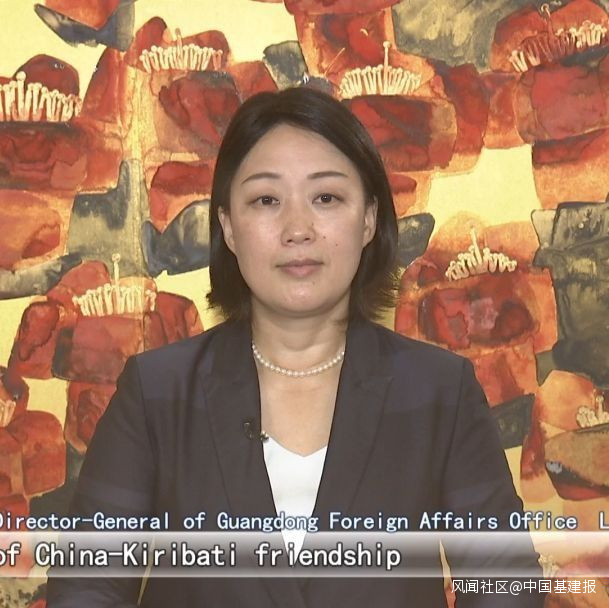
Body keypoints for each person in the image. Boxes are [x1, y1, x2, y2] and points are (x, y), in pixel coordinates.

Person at [46, 86, 544, 607]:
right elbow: (87, 585)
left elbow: (505, 585)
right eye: (266, 200)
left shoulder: (439, 391)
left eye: (326, 198)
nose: (297, 229)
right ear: (228, 227)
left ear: (368, 219)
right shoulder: (156, 392)